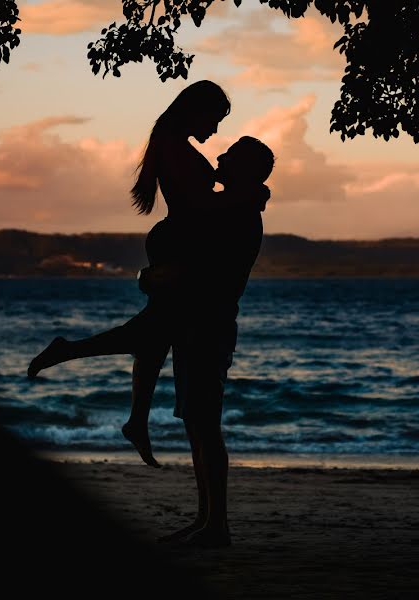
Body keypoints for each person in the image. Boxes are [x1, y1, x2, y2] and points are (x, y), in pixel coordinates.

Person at [26, 81, 267, 469]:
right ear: (195, 110)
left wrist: (246, 189)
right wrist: (250, 195)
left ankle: (136, 418)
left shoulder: (173, 145)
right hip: (178, 244)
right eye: (215, 119)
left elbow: (206, 195)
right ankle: (70, 352)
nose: (216, 130)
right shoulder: (176, 150)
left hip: (175, 241)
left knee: (155, 332)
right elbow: (203, 205)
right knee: (149, 331)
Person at [159, 135, 274, 548]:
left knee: (205, 423)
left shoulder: (239, 213)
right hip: (199, 322)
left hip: (210, 324)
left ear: (242, 169)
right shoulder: (234, 207)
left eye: (229, 155)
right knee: (196, 422)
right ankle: (206, 518)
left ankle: (216, 524)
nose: (219, 156)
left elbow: (207, 266)